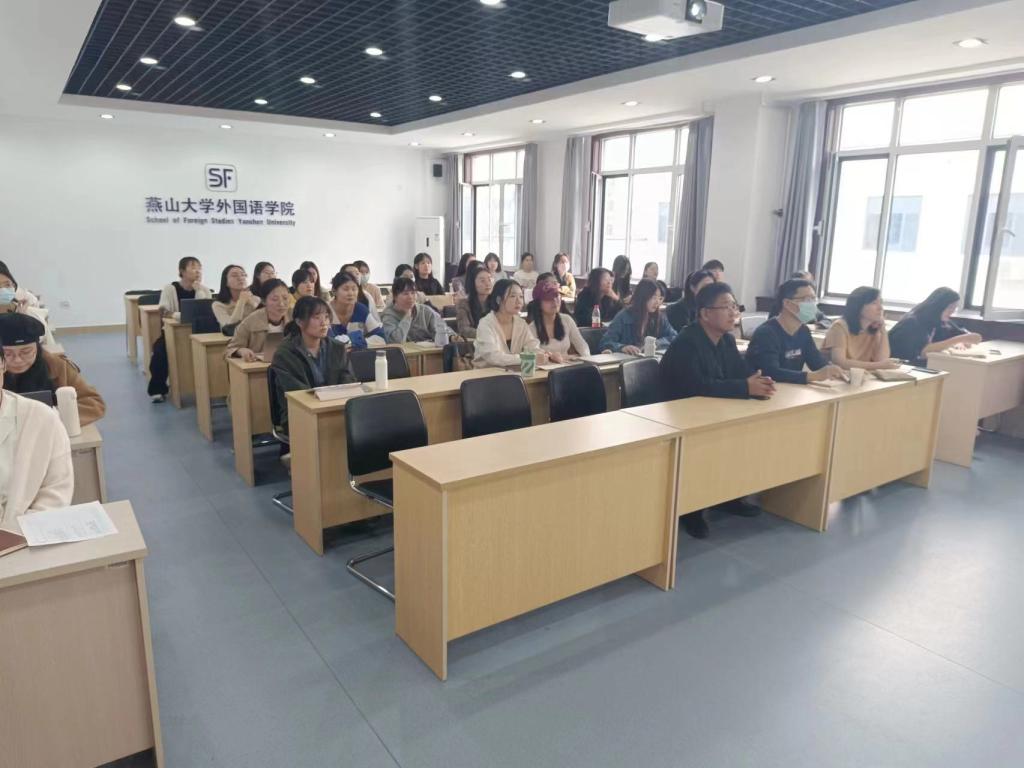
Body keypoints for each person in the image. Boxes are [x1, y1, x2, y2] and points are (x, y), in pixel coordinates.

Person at [661, 282, 775, 539]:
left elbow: (738, 373)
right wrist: (745, 387)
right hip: (680, 415)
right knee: (702, 448)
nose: (734, 312)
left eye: (734, 306)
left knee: (740, 436)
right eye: (726, 307)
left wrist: (757, 382)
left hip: (714, 410)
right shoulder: (687, 343)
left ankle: (727, 497)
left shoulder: (726, 340)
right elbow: (697, 386)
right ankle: (690, 511)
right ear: (705, 313)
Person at [0, 345, 73, 532]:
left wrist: (16, 533)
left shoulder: (40, 418)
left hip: (27, 537)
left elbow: (56, 492)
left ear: (3, 365)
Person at [270, 296, 355, 434]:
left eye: (326, 317)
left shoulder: (337, 347)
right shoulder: (285, 353)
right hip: (299, 413)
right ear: (299, 321)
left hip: (334, 408)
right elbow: (298, 393)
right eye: (316, 317)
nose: (324, 322)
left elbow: (348, 380)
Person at [0, 313, 106, 425]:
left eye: (26, 352)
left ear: (37, 348)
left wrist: (54, 416)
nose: (17, 360)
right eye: (7, 354)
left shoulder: (57, 366)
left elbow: (93, 403)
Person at [745, 279, 845, 384]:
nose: (812, 304)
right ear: (787, 303)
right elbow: (771, 372)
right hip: (768, 389)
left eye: (813, 299)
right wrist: (813, 376)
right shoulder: (766, 333)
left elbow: (816, 362)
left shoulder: (803, 331)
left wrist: (833, 370)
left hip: (791, 389)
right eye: (807, 299)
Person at [149, 256, 212, 402]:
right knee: (159, 352)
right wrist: (179, 316)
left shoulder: (204, 290)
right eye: (193, 267)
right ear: (182, 271)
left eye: (199, 268)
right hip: (172, 333)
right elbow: (164, 311)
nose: (198, 271)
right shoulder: (170, 289)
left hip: (198, 332)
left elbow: (203, 312)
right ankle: (158, 389)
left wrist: (198, 290)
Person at [889, 287, 982, 365]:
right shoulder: (913, 322)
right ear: (938, 306)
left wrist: (962, 341)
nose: (952, 311)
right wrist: (958, 340)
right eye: (950, 307)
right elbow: (922, 352)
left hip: (925, 365)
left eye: (955, 308)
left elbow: (974, 338)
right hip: (902, 366)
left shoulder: (940, 321)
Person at [473, 279, 545, 369]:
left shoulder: (521, 323)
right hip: (486, 374)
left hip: (514, 373)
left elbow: (532, 346)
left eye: (521, 296)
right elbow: (493, 357)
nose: (518, 301)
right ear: (499, 300)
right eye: (513, 296)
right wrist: (525, 358)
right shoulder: (486, 324)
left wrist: (543, 355)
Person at [822, 286, 899, 370]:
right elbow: (840, 362)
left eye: (881, 303)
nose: (880, 308)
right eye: (874, 303)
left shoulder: (873, 329)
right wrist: (878, 365)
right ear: (858, 306)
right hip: (835, 375)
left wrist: (883, 330)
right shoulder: (839, 327)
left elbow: (882, 360)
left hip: (858, 375)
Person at [600, 279, 676, 354]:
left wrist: (657, 343)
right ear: (643, 297)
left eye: (659, 298)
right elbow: (605, 342)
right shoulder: (623, 316)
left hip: (650, 359)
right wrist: (622, 347)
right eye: (654, 297)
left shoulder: (659, 317)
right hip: (628, 359)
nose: (657, 302)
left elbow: (674, 337)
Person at [225, 279, 291, 362]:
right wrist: (241, 351)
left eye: (285, 298)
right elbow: (229, 350)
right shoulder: (250, 322)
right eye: (275, 299)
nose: (281, 304)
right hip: (258, 367)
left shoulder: (295, 318)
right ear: (264, 301)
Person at [381, 277, 454, 344]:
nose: (410, 297)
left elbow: (441, 327)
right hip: (404, 353)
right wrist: (407, 317)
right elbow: (396, 341)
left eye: (413, 293)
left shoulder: (425, 310)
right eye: (405, 294)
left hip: (427, 351)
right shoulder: (388, 316)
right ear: (395, 297)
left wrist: (451, 337)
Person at [529, 281, 589, 362]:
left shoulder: (567, 320)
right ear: (538, 303)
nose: (554, 301)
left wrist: (588, 359)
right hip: (545, 367)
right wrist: (550, 357)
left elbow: (582, 345)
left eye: (557, 296)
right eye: (548, 298)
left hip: (567, 366)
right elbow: (533, 353)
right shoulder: (532, 328)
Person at [0, 264, 56, 347]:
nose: (3, 290)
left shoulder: (29, 313)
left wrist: (21, 320)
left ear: (14, 285)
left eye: (7, 285)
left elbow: (41, 341)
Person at [327, 271, 384, 348]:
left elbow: (381, 338)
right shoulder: (325, 310)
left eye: (354, 289)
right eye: (346, 289)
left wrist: (355, 341)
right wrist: (355, 338)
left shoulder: (360, 309)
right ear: (334, 291)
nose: (351, 293)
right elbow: (328, 342)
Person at [455, 262, 493, 339]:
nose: (488, 284)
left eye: (489, 279)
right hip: (475, 343)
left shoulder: (497, 303)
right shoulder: (464, 304)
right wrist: (487, 335)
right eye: (482, 281)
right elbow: (464, 330)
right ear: (473, 283)